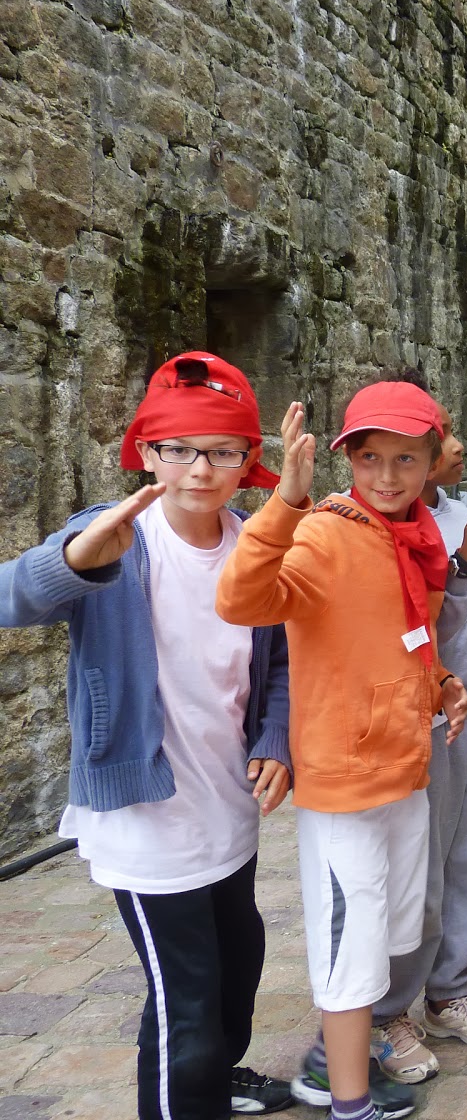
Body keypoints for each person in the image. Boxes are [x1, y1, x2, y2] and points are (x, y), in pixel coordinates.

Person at [0, 352, 293, 1119]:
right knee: (185, 1004)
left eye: (222, 451)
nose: (200, 469)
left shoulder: (255, 544)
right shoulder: (115, 536)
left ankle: (219, 1079)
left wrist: (275, 736)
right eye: (179, 450)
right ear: (147, 454)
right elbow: (10, 599)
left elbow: (282, 663)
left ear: (248, 460)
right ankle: (188, 1095)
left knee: (239, 966)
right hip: (146, 815)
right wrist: (73, 561)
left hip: (227, 804)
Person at [217, 381, 467, 1120]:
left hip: (404, 767)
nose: (386, 476)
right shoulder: (325, 531)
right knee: (351, 944)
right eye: (369, 458)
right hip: (345, 779)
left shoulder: (416, 537)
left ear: (432, 461)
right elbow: (241, 600)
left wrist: (442, 684)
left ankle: (330, 1063)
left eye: (405, 459)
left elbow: (403, 640)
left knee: (392, 927)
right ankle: (348, 1101)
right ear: (349, 460)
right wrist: (287, 502)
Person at [363, 382, 467, 1084]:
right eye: (444, 435)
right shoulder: (374, 528)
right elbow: (422, 626)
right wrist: (464, 566)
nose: (457, 446)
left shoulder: (459, 514)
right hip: (424, 717)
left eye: (429, 445)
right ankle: (389, 1009)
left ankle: (451, 989)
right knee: (417, 869)